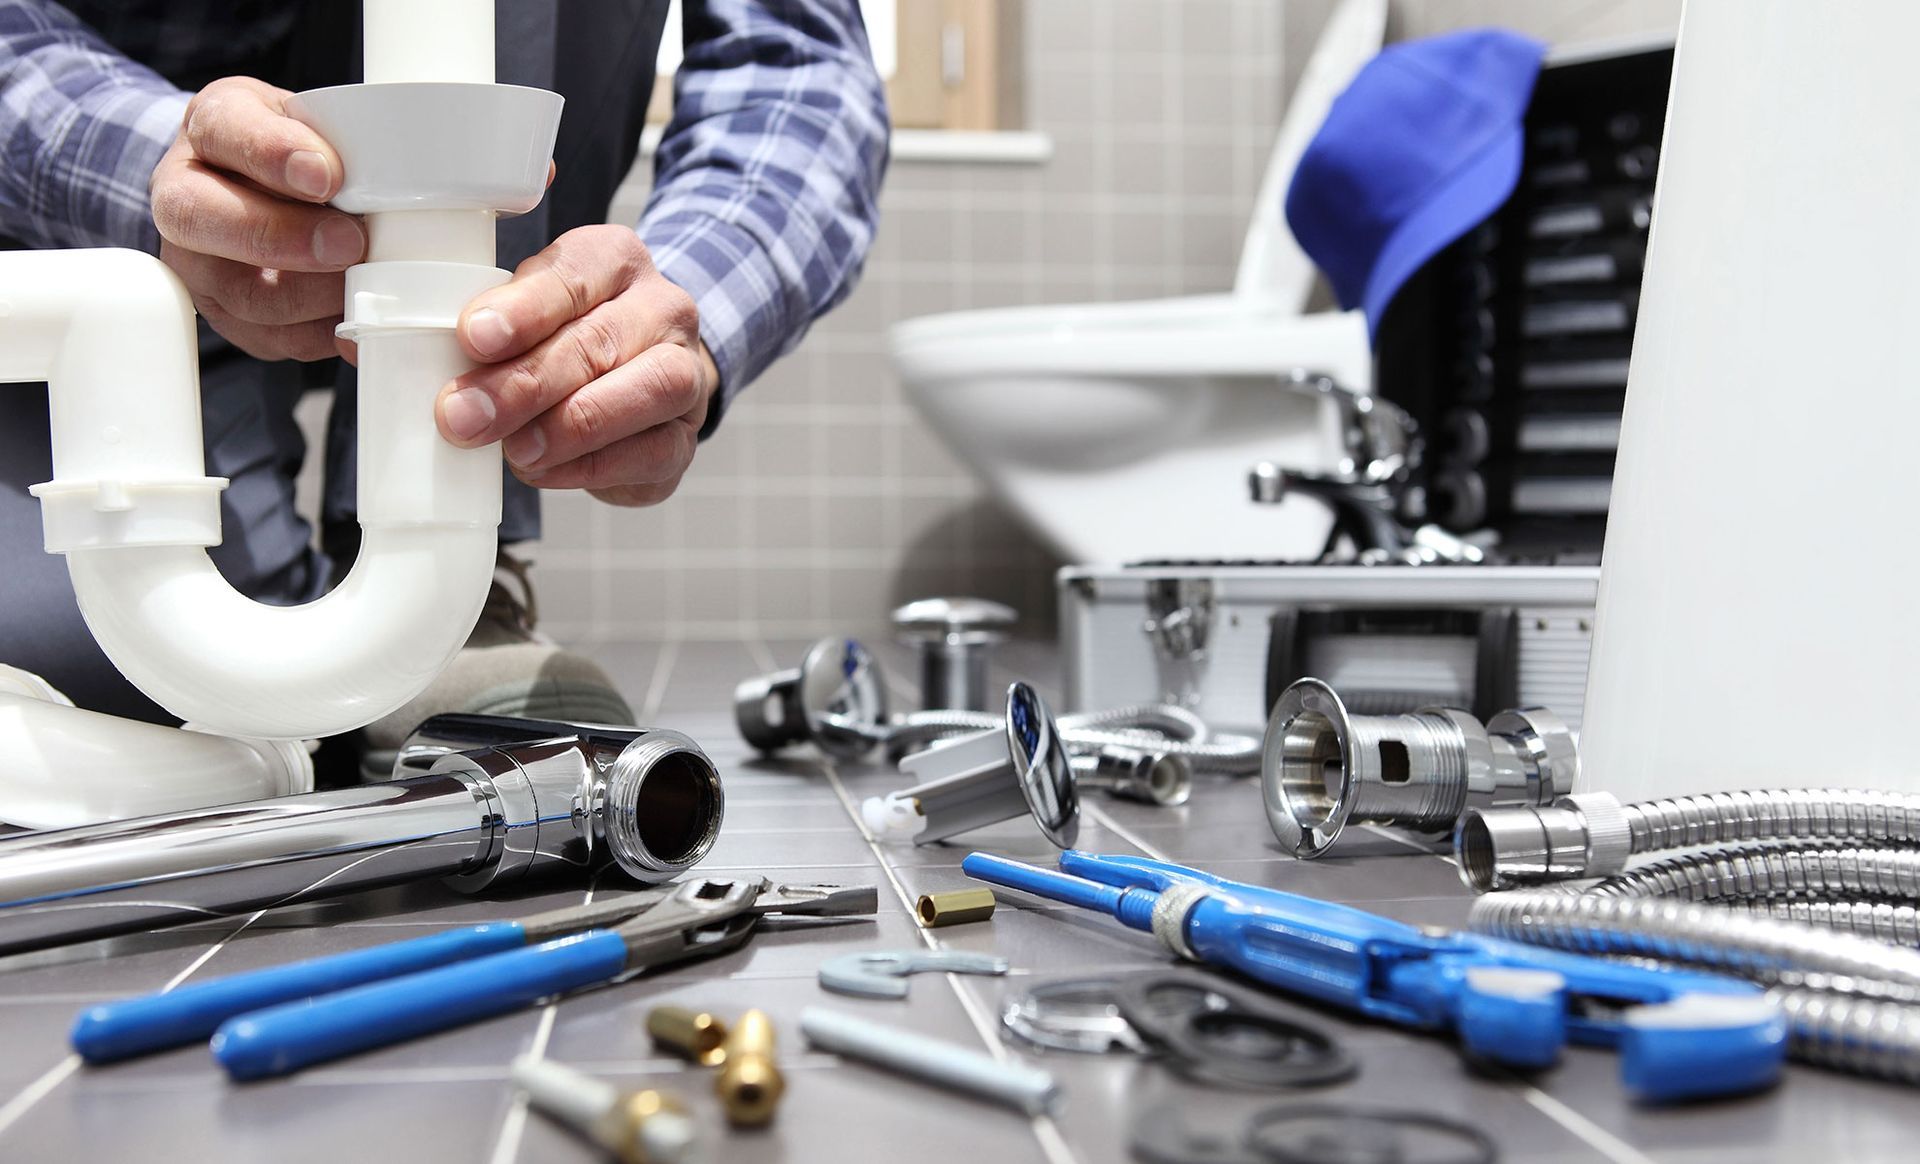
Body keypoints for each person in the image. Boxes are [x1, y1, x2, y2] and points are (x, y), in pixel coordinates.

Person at [0, 1, 888, 766]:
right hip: (83, 246)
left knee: (214, 684)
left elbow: (798, 64)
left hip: (446, 285)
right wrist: (157, 172)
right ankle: (326, 592)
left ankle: (442, 576)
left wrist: (666, 312)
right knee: (78, 653)